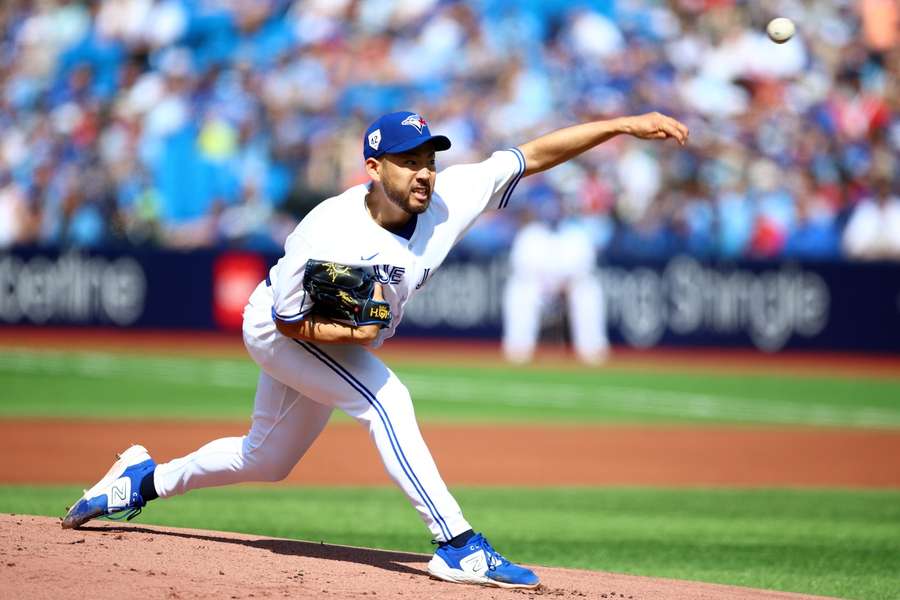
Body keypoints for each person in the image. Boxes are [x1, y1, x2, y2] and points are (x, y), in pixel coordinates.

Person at [62, 109, 688, 589]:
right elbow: (286, 322)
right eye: (409, 159)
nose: (424, 171)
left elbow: (530, 155)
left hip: (315, 334)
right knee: (387, 399)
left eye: (430, 157)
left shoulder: (449, 199)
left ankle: (143, 479)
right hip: (282, 328)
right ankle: (458, 544)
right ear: (374, 168)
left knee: (266, 458)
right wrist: (355, 335)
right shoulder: (328, 231)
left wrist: (624, 126)